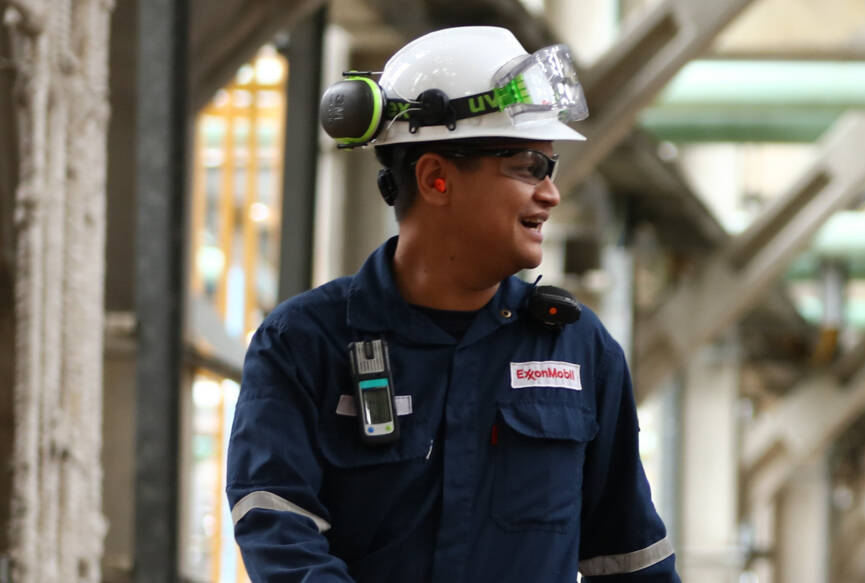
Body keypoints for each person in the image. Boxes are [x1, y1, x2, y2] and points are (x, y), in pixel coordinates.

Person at [225, 26, 675, 581]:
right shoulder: (304, 343)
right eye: (528, 166)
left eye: (550, 169)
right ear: (436, 178)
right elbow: (278, 524)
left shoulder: (580, 351)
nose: (551, 193)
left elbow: (628, 557)